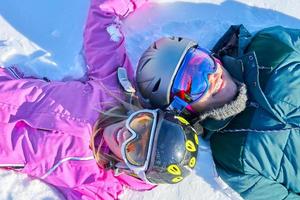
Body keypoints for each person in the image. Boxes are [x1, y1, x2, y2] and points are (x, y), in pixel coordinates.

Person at [0, 0, 199, 199]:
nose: (126, 134)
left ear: (130, 168)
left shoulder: (98, 185)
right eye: (142, 125)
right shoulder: (114, 90)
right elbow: (103, 18)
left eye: (135, 150)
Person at [135, 25, 300, 199]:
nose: (210, 77)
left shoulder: (269, 47)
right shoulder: (232, 159)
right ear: (184, 110)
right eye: (192, 86)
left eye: (202, 63)